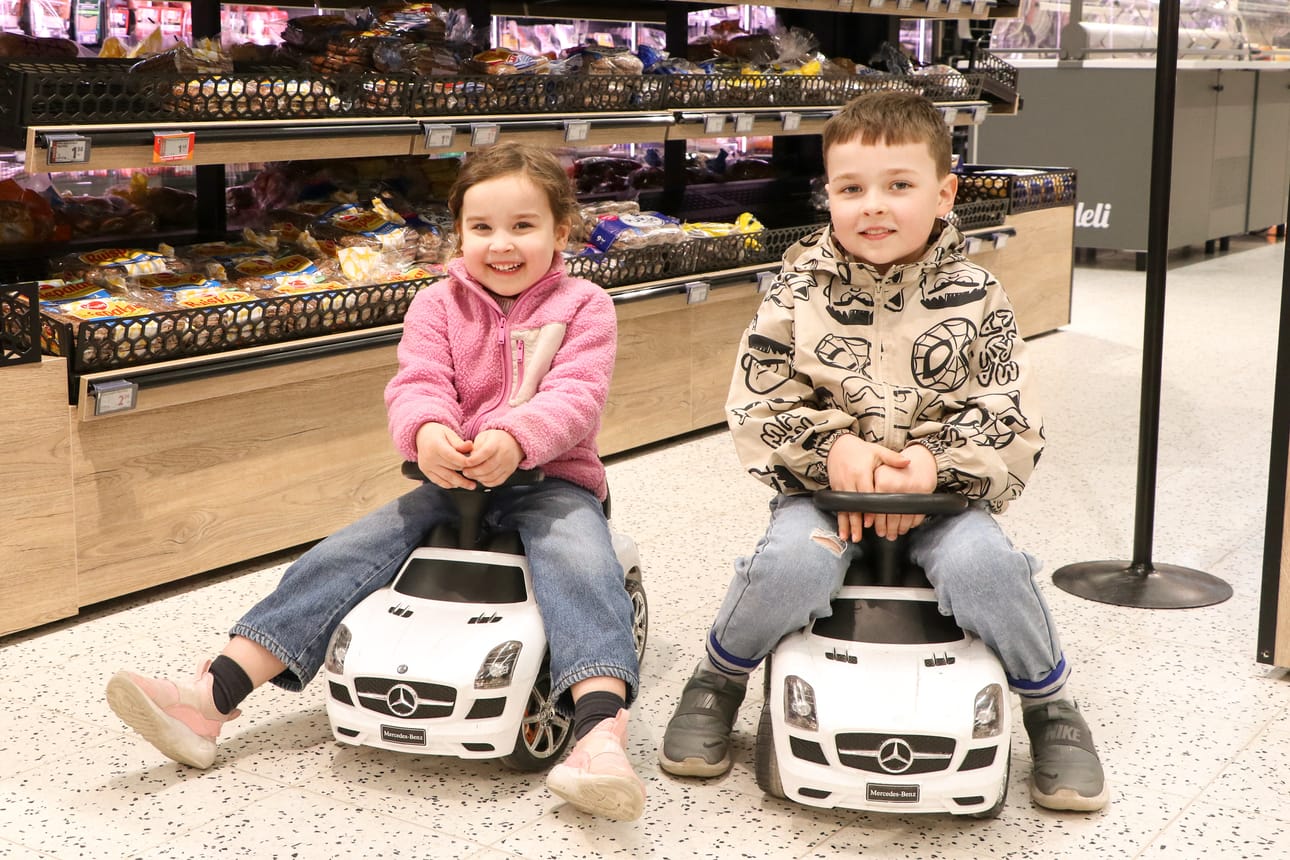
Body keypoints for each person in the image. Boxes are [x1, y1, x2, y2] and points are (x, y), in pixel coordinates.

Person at [106, 141, 647, 822]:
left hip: (552, 481)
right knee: (343, 554)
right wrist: (427, 432)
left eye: (523, 226)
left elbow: (577, 395)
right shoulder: (436, 305)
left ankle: (599, 736)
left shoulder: (585, 305)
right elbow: (418, 382)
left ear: (560, 231)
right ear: (459, 234)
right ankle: (209, 698)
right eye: (481, 227)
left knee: (582, 565)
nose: (501, 244)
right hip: (451, 484)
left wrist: (517, 436)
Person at [657, 90, 1108, 813]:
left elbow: (1011, 415)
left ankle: (1050, 706)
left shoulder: (978, 294)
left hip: (944, 500)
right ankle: (718, 679)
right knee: (789, 566)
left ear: (944, 194)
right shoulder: (795, 289)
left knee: (989, 569)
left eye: (899, 185)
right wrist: (833, 448)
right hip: (821, 496)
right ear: (828, 194)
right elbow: (757, 403)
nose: (873, 206)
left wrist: (933, 466)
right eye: (851, 189)